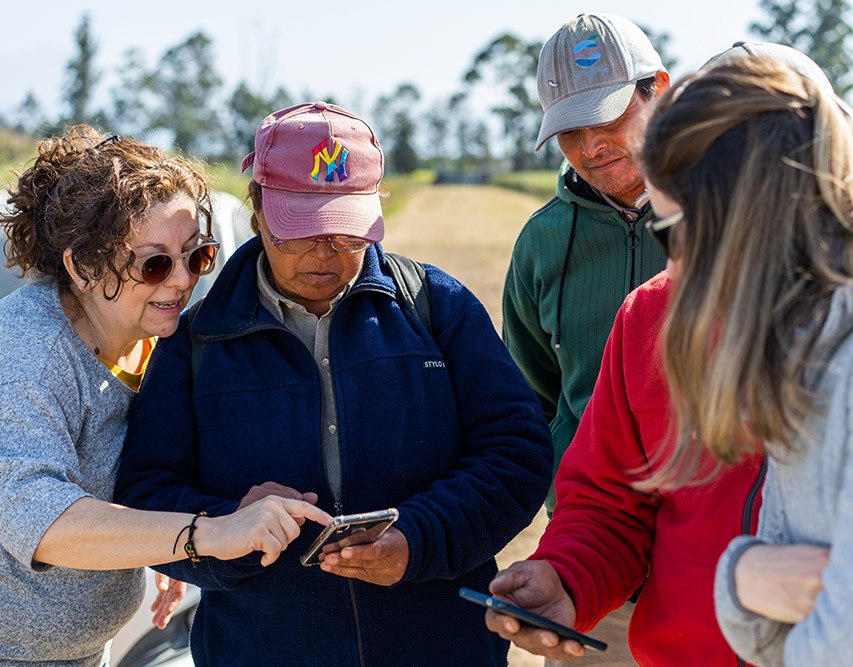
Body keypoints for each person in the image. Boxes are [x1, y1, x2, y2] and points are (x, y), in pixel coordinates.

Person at [114, 102, 553, 666]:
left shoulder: (438, 308)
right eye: (301, 233)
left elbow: (517, 453)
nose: (324, 253)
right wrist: (230, 529)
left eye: (345, 233)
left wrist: (418, 539)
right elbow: (145, 496)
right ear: (258, 210)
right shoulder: (195, 341)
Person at [485, 44, 842, 667]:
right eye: (663, 230)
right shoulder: (649, 316)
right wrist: (568, 577)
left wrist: (747, 582)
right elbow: (608, 496)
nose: (680, 260)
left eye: (689, 226)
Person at [0, 126, 329, 667]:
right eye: (154, 263)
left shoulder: (148, 338)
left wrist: (160, 544)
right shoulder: (30, 357)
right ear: (82, 268)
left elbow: (135, 476)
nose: (181, 282)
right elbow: (37, 517)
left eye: (196, 257)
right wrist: (203, 535)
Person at [638, 56, 853, 667]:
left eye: (668, 232)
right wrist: (742, 574)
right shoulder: (800, 361)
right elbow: (772, 628)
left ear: (734, 224)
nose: (672, 268)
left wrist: (742, 579)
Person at [503, 13, 669, 514]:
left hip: (711, 533)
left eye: (610, 118)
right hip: (589, 530)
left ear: (658, 91)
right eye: (570, 131)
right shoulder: (540, 241)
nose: (591, 148)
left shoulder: (730, 213)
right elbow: (533, 395)